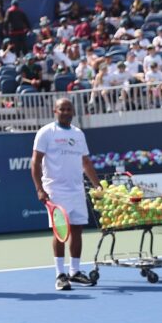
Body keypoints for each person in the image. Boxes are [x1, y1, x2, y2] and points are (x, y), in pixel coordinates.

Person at [31, 98, 102, 291]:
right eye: (62, 109)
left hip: (77, 190)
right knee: (60, 232)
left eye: (69, 109)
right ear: (55, 110)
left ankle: (75, 272)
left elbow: (85, 162)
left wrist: (97, 186)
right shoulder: (46, 132)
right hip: (55, 190)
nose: (65, 112)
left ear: (73, 112)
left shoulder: (78, 134)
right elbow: (35, 162)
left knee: (77, 230)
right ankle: (60, 275)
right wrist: (39, 188)